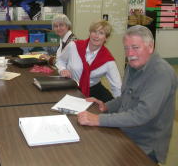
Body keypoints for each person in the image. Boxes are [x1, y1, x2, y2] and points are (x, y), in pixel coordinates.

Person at [77, 25, 177, 164]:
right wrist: (105, 106)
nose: (130, 53)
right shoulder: (133, 65)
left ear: (150, 47)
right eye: (126, 48)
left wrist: (98, 119)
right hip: (125, 132)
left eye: (135, 47)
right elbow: (125, 97)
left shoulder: (161, 73)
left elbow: (142, 114)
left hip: (145, 145)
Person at [57, 20, 122, 102]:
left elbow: (117, 86)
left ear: (106, 38)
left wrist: (120, 105)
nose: (96, 36)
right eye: (94, 32)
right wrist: (62, 69)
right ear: (90, 33)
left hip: (94, 91)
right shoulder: (73, 46)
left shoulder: (108, 60)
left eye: (101, 33)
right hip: (71, 87)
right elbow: (60, 60)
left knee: (108, 110)